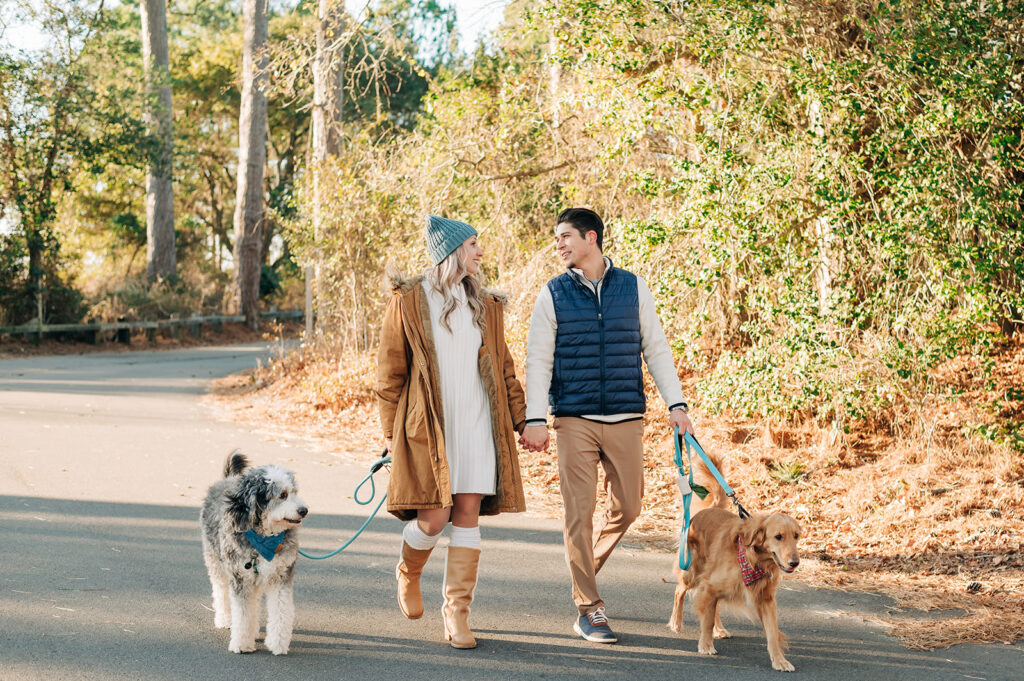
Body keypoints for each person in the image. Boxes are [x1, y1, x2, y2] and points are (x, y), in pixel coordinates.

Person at [519, 207, 695, 644]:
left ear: (590, 238)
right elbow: (538, 360)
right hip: (575, 419)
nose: (558, 245)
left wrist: (677, 404)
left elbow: (655, 347)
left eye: (565, 237)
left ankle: (583, 575)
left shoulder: (633, 287)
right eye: (557, 238)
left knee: (630, 507)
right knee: (579, 514)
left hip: (625, 417)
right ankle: (589, 608)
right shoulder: (553, 294)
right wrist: (535, 418)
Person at [374, 214, 528, 649]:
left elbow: (505, 370)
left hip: (479, 422)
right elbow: (390, 376)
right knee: (432, 518)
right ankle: (409, 570)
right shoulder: (408, 301)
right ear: (453, 251)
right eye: (474, 244)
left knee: (466, 513)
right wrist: (390, 436)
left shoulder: (486, 306)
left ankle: (457, 612)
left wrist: (522, 420)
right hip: (429, 429)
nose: (480, 252)